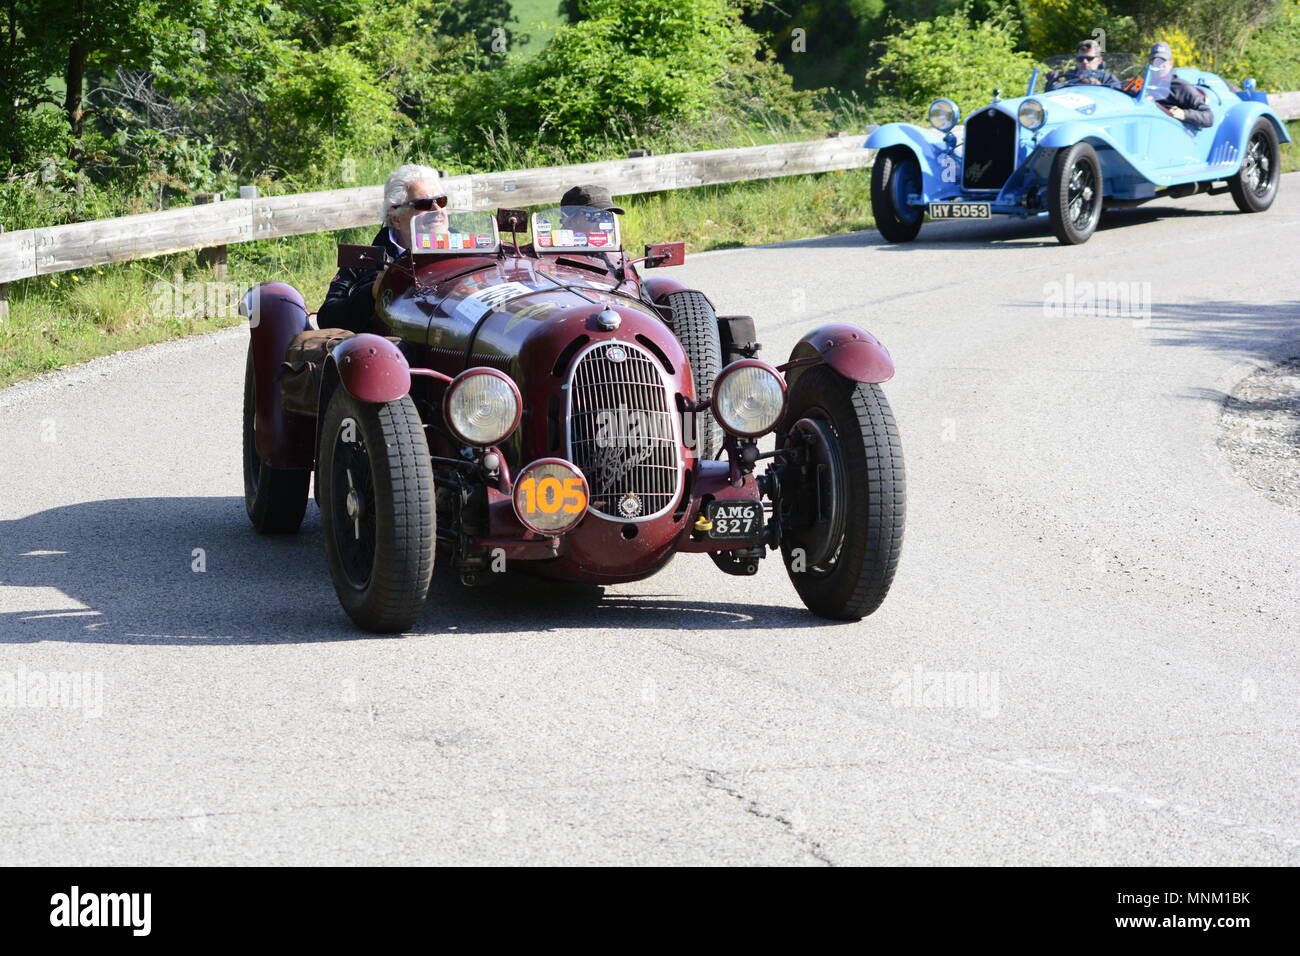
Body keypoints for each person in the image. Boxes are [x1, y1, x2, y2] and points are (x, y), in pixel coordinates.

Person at [317, 164, 446, 333]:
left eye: (442, 201)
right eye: (424, 204)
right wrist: (372, 292)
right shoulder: (366, 259)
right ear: (396, 218)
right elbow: (327, 318)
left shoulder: (473, 249)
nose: (437, 210)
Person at [1144, 42, 1213, 128]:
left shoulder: (1181, 87)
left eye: (1163, 61)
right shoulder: (1145, 84)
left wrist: (1184, 114)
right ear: (1150, 63)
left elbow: (1208, 117)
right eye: (1155, 61)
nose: (1160, 65)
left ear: (1171, 63)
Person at [1046, 39, 1122, 90]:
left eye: (1089, 59)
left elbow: (1117, 99)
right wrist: (1052, 82)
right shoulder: (1067, 76)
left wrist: (1094, 83)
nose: (1084, 62)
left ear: (1099, 60)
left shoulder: (1108, 78)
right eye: (1080, 59)